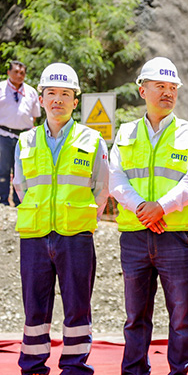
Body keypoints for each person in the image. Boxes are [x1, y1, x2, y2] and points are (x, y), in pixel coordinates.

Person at [109, 57, 188, 375]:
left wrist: (160, 207)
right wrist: (143, 208)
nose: (167, 92)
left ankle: (179, 371)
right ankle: (135, 370)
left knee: (181, 315)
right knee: (135, 315)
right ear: (142, 90)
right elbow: (115, 178)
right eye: (159, 86)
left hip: (176, 234)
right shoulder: (124, 134)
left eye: (172, 87)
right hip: (135, 235)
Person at [13, 62, 109, 374]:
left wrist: (80, 217)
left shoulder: (92, 140)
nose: (57, 99)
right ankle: (33, 365)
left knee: (77, 306)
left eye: (65, 94)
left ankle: (75, 366)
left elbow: (101, 189)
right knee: (35, 307)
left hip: (76, 236)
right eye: (51, 93)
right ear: (40, 99)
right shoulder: (24, 141)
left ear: (75, 102)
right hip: (35, 236)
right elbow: (20, 186)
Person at [1, 61, 41, 206]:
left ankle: (20, 202)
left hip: (24, 137)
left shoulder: (31, 92)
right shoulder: (1, 88)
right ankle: (3, 201)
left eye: (22, 73)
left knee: (23, 170)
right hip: (3, 135)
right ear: (9, 73)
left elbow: (35, 115)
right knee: (3, 169)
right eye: (16, 72)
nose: (19, 75)